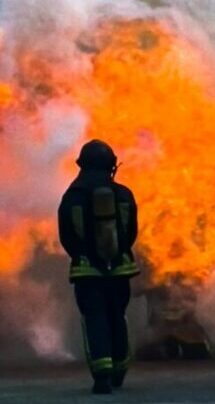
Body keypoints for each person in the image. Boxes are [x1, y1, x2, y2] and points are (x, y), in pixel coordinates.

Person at [58, 139, 140, 394]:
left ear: (82, 165)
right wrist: (117, 254)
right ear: (111, 166)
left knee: (95, 318)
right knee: (117, 315)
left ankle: (102, 376)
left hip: (87, 273)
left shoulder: (72, 196)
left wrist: (81, 254)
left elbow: (66, 235)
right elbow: (131, 233)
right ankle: (118, 369)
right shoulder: (124, 194)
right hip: (119, 271)